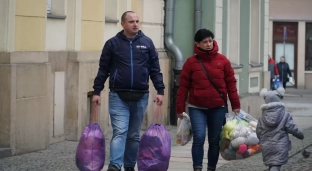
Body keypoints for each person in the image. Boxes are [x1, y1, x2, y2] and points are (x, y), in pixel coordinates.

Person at [92, 11, 165, 171]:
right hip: (118, 95)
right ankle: (115, 165)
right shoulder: (112, 44)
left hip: (141, 96)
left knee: (133, 135)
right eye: (131, 21)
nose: (135, 24)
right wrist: (97, 91)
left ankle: (130, 166)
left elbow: (155, 69)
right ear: (123, 24)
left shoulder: (147, 43)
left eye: (137, 21)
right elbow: (103, 69)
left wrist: (160, 90)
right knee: (120, 131)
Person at [176, 29, 241, 171]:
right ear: (198, 44)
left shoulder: (223, 61)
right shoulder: (191, 62)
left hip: (218, 107)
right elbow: (183, 87)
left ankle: (211, 167)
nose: (208, 44)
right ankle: (197, 167)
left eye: (210, 40)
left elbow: (231, 84)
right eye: (205, 42)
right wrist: (179, 109)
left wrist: (235, 105)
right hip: (196, 107)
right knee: (199, 137)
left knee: (214, 140)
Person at [257, 87, 304, 171]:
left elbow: (258, 132)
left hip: (267, 147)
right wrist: (300, 134)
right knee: (276, 166)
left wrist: (262, 140)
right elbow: (292, 128)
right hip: (280, 146)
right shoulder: (285, 115)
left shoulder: (261, 118)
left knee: (272, 165)